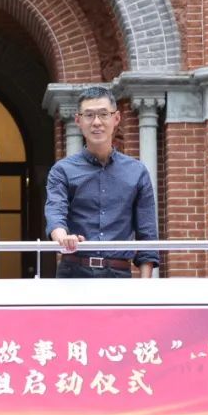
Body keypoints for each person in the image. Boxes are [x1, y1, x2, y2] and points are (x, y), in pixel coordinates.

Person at [44, 85, 158, 279]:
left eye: (104, 114)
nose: (97, 122)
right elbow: (55, 213)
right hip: (73, 275)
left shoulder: (137, 172)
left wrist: (144, 286)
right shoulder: (61, 171)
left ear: (116, 118)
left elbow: (147, 233)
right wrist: (63, 239)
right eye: (89, 115)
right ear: (78, 120)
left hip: (118, 274)